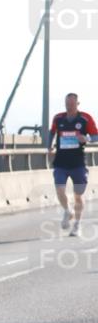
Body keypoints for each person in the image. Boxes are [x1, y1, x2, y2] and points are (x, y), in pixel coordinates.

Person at [49, 92, 97, 237]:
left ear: (77, 104)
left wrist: (86, 138)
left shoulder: (85, 118)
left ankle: (77, 225)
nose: (69, 106)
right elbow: (51, 132)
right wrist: (49, 146)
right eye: (67, 104)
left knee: (78, 195)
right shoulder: (58, 118)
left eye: (71, 104)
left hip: (78, 163)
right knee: (59, 189)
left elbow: (96, 136)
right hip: (61, 161)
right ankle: (67, 210)